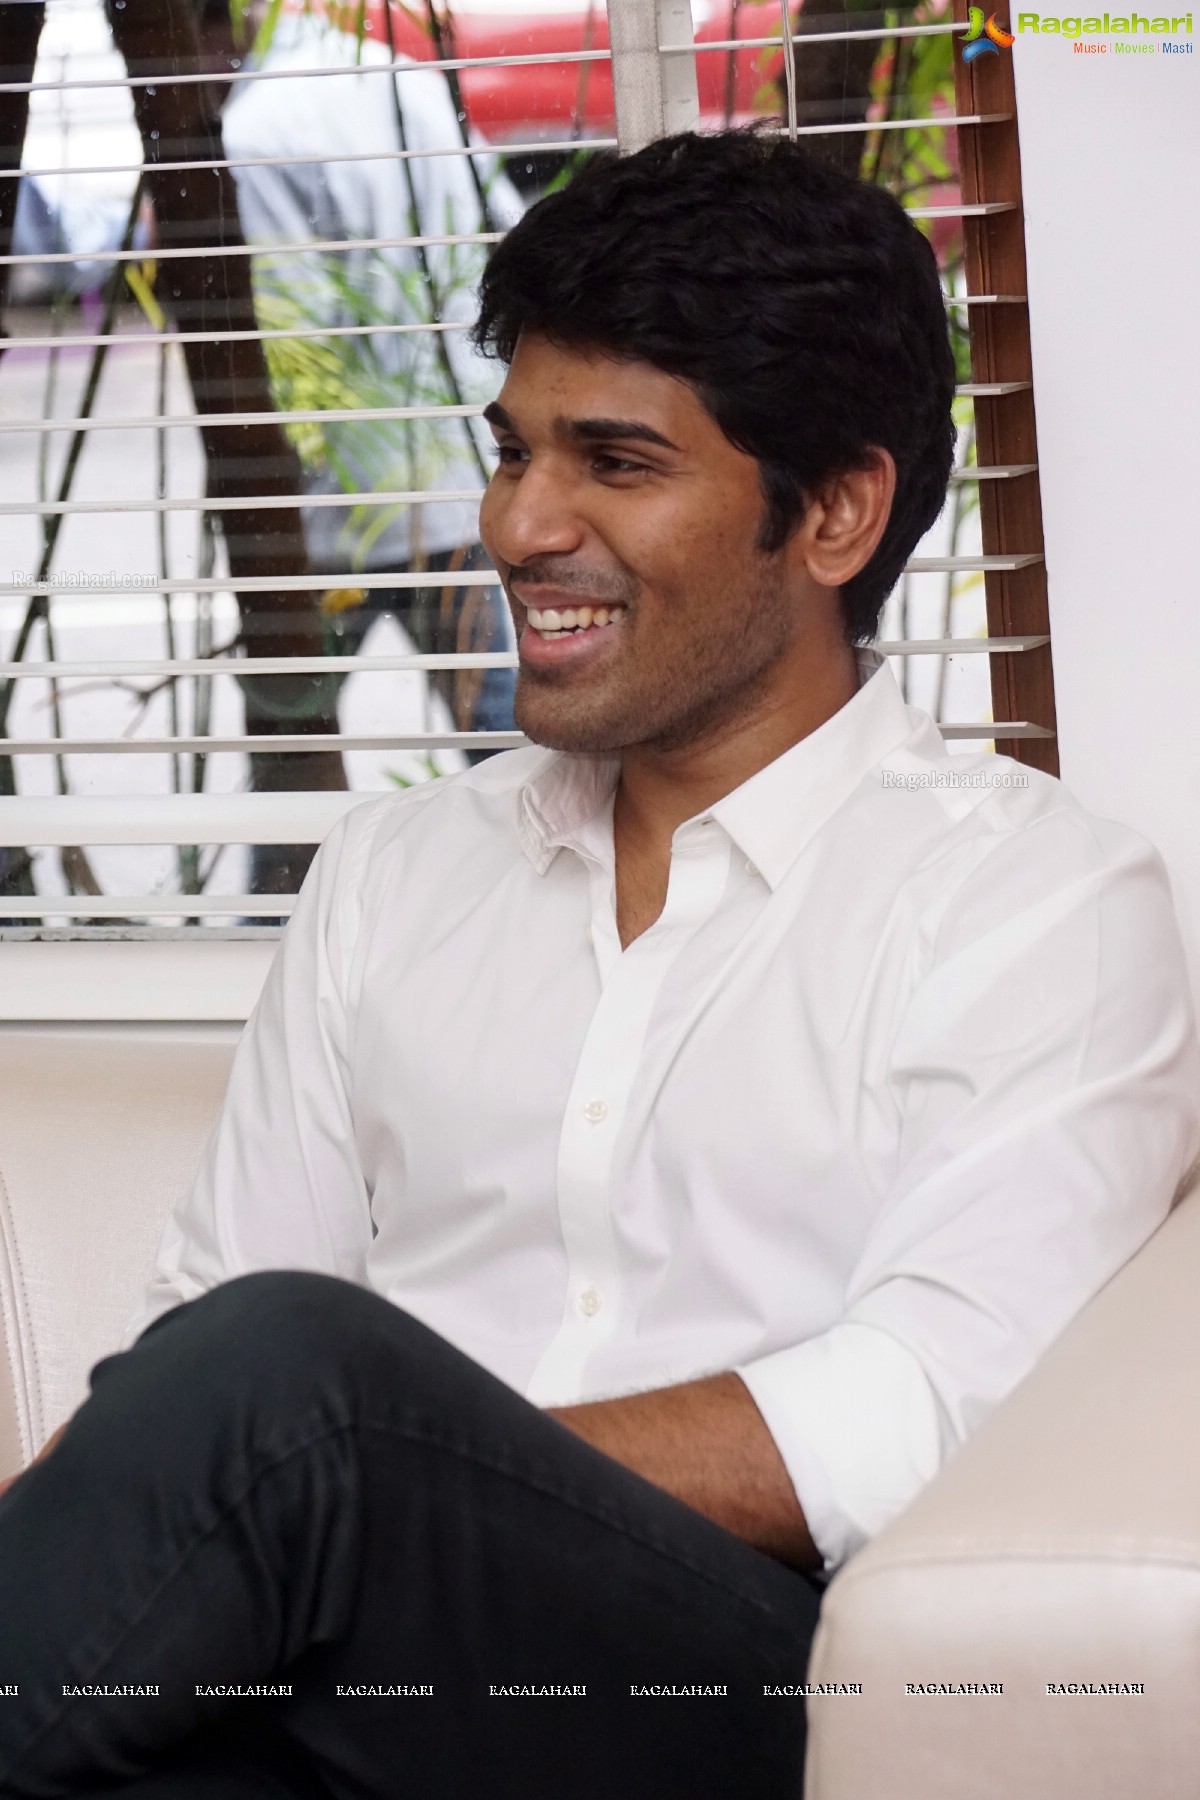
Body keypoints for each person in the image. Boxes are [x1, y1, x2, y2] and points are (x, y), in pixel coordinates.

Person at [1, 129, 1197, 1800]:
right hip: (359, 1685)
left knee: (293, 1387)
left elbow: (926, 1399)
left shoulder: (1034, 902)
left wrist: (398, 1492)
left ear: (836, 512)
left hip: (742, 1685)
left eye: (615, 462)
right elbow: (200, 1335)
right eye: (514, 452)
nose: (516, 524)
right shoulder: (395, 876)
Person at [215, 5, 526, 764]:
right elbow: (512, 246)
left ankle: (285, 883)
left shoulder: (255, 129)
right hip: (455, 480)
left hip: (339, 511)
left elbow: (295, 346)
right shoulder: (410, 84)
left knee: (291, 751)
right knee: (505, 751)